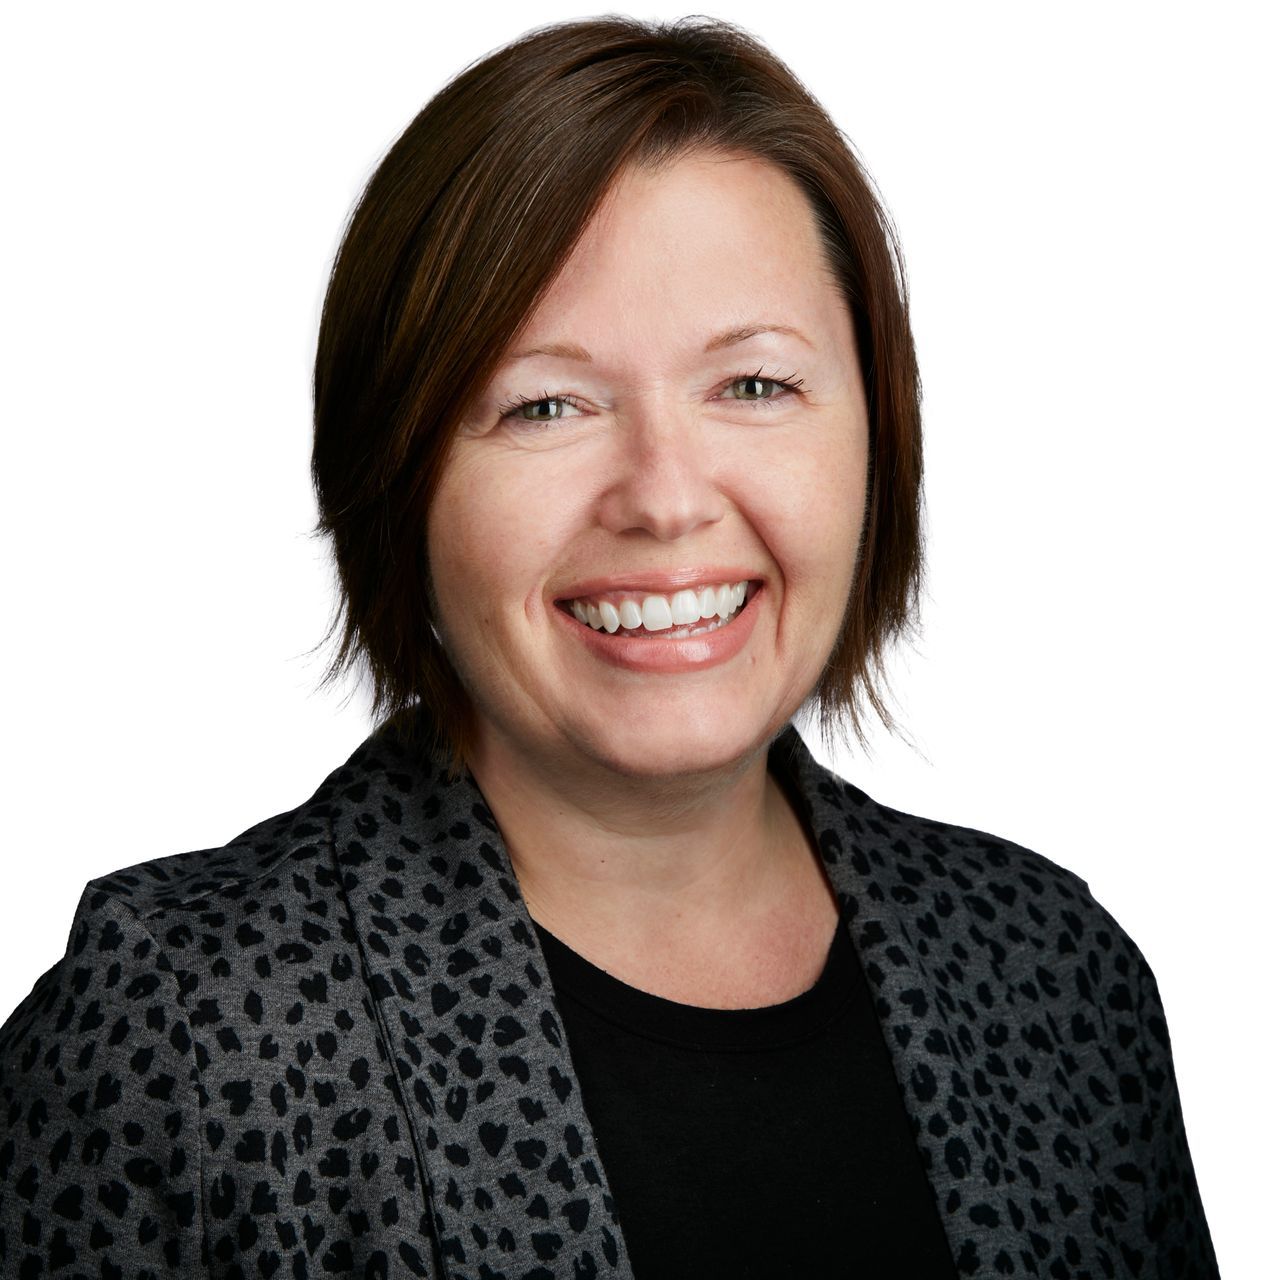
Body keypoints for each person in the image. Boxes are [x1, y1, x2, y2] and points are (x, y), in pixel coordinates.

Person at [0, 15, 1218, 1279]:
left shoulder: (1052, 977)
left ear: (877, 432)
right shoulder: (186, 1031)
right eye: (545, 404)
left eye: (752, 385)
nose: (664, 496)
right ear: (396, 477)